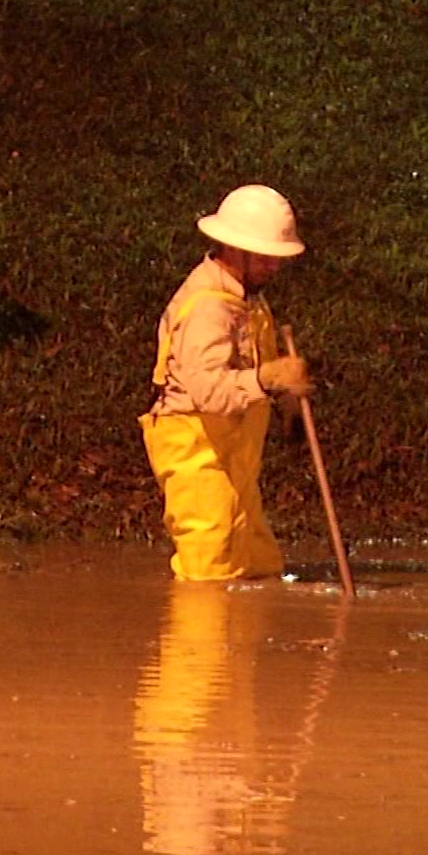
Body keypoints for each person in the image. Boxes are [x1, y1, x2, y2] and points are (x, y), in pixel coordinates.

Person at [139, 185, 314, 581]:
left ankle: (241, 641)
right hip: (197, 451)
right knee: (209, 570)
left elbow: (254, 366)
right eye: (267, 258)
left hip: (233, 453)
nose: (275, 267)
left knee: (259, 564)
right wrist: (268, 379)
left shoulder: (249, 298)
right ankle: (197, 642)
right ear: (236, 249)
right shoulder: (207, 306)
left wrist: (287, 400)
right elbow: (209, 392)